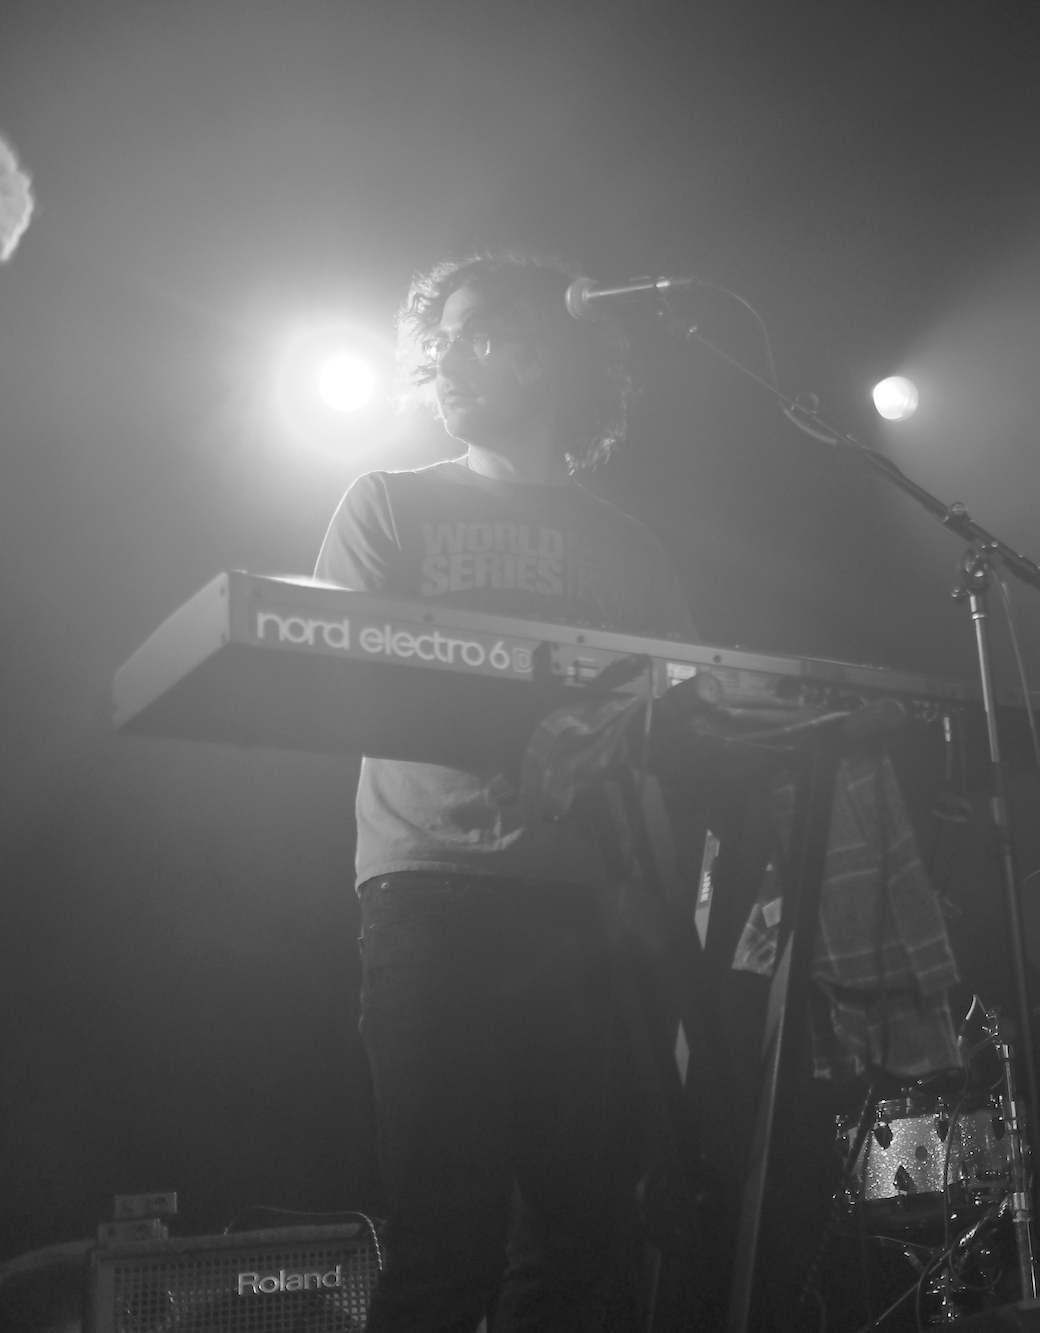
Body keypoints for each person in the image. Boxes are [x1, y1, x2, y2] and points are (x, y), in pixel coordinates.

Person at [315, 250, 696, 1333]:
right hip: (431, 899)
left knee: (581, 1252)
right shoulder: (388, 502)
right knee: (443, 1247)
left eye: (476, 333)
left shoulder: (628, 544)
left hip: (585, 914)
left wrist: (666, 924)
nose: (444, 359)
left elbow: (670, 737)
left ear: (547, 352)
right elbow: (341, 683)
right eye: (435, 340)